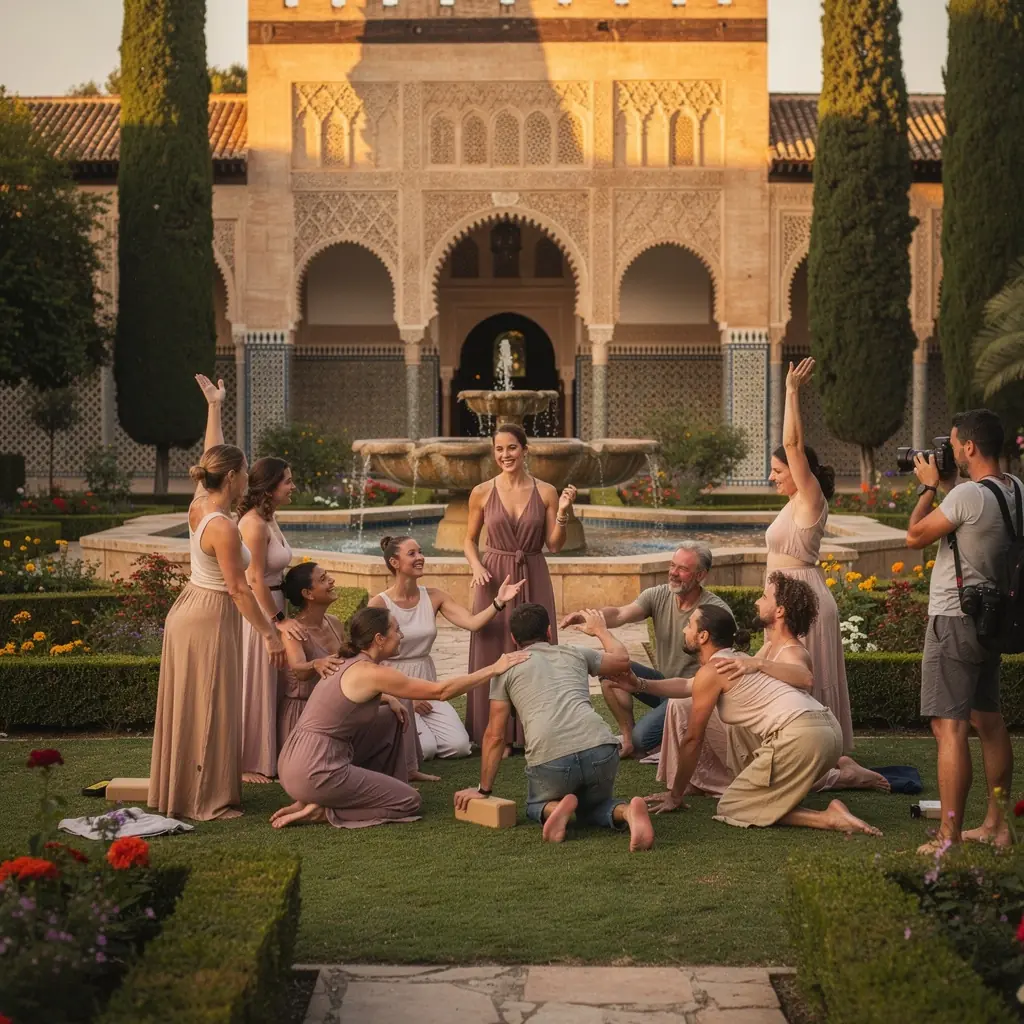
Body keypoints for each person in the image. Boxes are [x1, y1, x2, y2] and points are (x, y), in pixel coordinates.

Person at [148, 374, 285, 822]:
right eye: (244, 471)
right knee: (209, 703)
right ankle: (208, 800)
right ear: (232, 477)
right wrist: (269, 634)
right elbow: (238, 588)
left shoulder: (202, 501)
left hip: (191, 607)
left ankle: (186, 790)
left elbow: (212, 452)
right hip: (210, 613)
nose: (248, 477)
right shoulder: (223, 526)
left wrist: (214, 405)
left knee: (196, 703)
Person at [636, 602, 881, 837]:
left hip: (803, 736)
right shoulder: (737, 660)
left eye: (689, 624)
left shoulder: (716, 670)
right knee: (752, 761)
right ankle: (837, 780)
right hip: (828, 730)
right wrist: (639, 684)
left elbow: (693, 739)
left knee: (732, 805)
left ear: (703, 636)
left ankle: (828, 818)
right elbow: (687, 686)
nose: (684, 630)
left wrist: (675, 795)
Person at [273, 606, 529, 829]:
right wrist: (493, 669)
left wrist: (389, 699)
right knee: (408, 801)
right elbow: (440, 691)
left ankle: (321, 796)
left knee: (389, 715)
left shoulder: (345, 661)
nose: (401, 636)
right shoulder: (372, 673)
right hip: (316, 769)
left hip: (293, 762)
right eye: (396, 630)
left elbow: (346, 698)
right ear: (379, 639)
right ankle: (323, 811)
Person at [652, 573, 890, 798]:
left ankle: (844, 776)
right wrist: (641, 684)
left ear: (779, 610)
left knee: (767, 783)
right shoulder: (769, 647)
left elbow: (805, 677)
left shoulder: (792, 651)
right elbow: (693, 685)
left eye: (764, 597)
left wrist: (758, 663)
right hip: (763, 731)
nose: (757, 601)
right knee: (683, 704)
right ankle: (699, 779)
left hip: (786, 738)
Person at [907, 408, 1022, 853]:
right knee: (988, 721)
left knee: (949, 728)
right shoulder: (1017, 490)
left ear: (970, 447)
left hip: (955, 618)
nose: (950, 451)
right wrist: (949, 487)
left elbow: (915, 536)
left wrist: (928, 487)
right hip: (994, 620)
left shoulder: (966, 496)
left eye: (954, 445)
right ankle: (997, 826)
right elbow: (977, 524)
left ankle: (949, 836)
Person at [455, 604, 656, 850]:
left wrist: (483, 789)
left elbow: (495, 736)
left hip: (552, 759)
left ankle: (554, 808)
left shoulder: (505, 669)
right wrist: (601, 631)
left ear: (514, 639)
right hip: (600, 748)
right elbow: (622, 661)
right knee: (594, 806)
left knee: (534, 806)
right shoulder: (575, 652)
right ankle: (627, 813)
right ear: (549, 632)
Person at [560, 543, 732, 759]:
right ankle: (628, 740)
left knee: (643, 739)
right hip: (663, 684)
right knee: (612, 669)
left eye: (682, 569)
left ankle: (647, 740)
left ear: (701, 575)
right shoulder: (658, 595)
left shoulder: (714, 612)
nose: (673, 573)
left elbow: (721, 668)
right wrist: (588, 617)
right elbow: (620, 614)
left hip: (691, 693)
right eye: (672, 565)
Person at [464, 423, 577, 750]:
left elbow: (554, 545)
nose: (505, 455)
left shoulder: (547, 492)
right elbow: (469, 541)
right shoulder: (481, 492)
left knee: (537, 652)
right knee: (492, 647)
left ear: (525, 450)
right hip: (494, 578)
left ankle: (534, 731)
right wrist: (476, 566)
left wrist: (563, 513)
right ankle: (492, 733)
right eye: (499, 449)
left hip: (533, 573)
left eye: (511, 447)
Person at [369, 534, 526, 761]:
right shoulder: (379, 604)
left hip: (428, 684)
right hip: (395, 687)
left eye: (420, 552)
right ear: (394, 562)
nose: (420, 557)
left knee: (459, 747)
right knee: (426, 750)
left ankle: (416, 736)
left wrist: (499, 601)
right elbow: (367, 658)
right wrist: (405, 698)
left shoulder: (434, 596)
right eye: (412, 554)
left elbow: (472, 623)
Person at [764, 357, 854, 751]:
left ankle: (820, 752)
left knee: (803, 679)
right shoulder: (792, 504)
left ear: (800, 472)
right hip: (786, 597)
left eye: (778, 471)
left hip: (805, 600)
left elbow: (793, 444)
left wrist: (791, 392)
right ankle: (792, 746)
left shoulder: (809, 496)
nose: (772, 476)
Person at [237, 456, 304, 783]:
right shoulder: (253, 524)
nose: (293, 486)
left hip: (276, 603)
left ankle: (273, 753)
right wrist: (277, 621)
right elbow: (253, 579)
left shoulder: (269, 518)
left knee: (275, 682)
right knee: (258, 681)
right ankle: (250, 762)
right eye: (287, 481)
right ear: (270, 486)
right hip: (262, 612)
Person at [278, 561, 347, 751]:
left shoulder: (334, 622)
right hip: (303, 714)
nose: (332, 581)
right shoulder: (294, 631)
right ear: (308, 593)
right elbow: (299, 669)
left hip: (332, 709)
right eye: (323, 579)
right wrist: (316, 664)